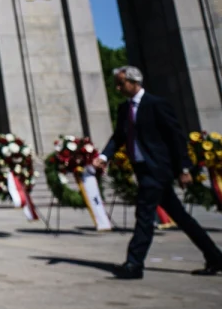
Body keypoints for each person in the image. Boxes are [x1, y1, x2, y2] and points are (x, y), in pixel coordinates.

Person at [91, 66, 222, 279]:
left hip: (158, 169)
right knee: (181, 216)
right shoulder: (124, 109)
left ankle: (134, 264)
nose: (117, 87)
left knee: (144, 214)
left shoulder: (157, 105)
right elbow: (118, 137)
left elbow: (176, 137)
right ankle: (215, 256)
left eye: (121, 83)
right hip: (141, 169)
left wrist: (184, 168)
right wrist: (104, 156)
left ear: (135, 82)